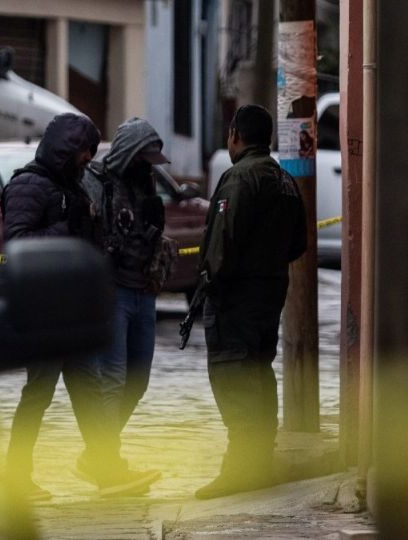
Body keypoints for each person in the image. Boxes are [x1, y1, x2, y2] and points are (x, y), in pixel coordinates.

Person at [1, 112, 160, 500]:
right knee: (37, 395)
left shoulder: (70, 187)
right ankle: (14, 478)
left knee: (89, 394)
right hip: (42, 313)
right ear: (67, 149)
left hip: (71, 313)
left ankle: (107, 471)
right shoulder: (29, 185)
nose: (89, 158)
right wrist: (69, 225)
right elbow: (18, 242)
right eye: (84, 151)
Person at [194, 105, 307, 500]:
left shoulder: (239, 178)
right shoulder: (285, 180)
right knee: (258, 372)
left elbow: (220, 244)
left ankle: (241, 468)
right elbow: (299, 244)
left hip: (236, 296)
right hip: (269, 292)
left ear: (234, 135)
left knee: (232, 374)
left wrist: (210, 284)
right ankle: (259, 462)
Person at [81, 118, 172, 452]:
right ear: (128, 154)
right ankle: (105, 457)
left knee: (137, 381)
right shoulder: (96, 183)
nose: (146, 167)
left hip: (143, 291)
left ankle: (99, 450)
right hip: (112, 293)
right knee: (113, 379)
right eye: (141, 158)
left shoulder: (145, 184)